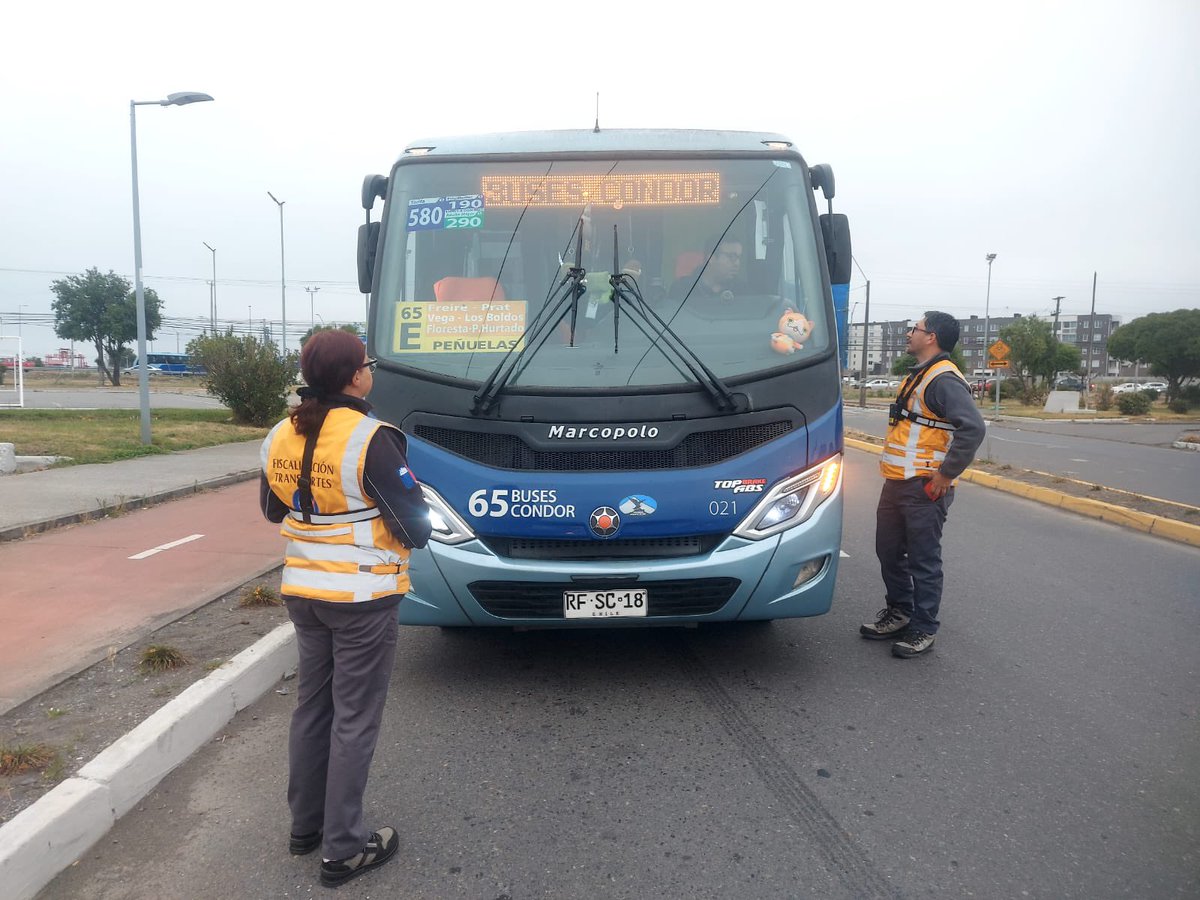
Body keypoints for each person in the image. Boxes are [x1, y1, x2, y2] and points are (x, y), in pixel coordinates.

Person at [259, 330, 431, 887]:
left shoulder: (280, 434)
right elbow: (413, 527)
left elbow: (271, 508)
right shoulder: (373, 438)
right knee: (354, 717)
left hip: (302, 591)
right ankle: (343, 850)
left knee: (314, 708)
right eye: (369, 365)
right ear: (356, 376)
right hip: (362, 598)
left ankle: (304, 829)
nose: (371, 372)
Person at [860, 311, 985, 658]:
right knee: (888, 552)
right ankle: (899, 613)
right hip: (897, 481)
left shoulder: (944, 379)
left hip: (925, 487)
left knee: (923, 561)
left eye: (914, 328)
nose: (908, 333)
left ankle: (923, 628)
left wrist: (946, 474)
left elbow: (973, 429)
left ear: (931, 337)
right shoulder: (922, 374)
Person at [669, 236, 742, 303]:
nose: (737, 263)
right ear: (711, 258)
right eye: (731, 256)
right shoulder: (682, 289)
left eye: (738, 257)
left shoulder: (743, 290)